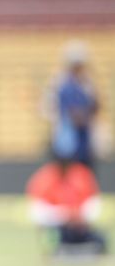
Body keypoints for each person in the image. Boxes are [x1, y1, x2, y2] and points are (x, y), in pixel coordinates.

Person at [26, 153, 107, 256]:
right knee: (53, 237)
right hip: (57, 224)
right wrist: (64, 215)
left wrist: (78, 216)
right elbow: (37, 209)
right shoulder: (45, 176)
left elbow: (93, 203)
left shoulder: (81, 174)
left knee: (97, 239)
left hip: (79, 223)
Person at [41, 40, 100, 170]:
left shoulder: (85, 83)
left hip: (82, 140)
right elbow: (73, 113)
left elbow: (96, 105)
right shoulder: (63, 84)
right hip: (69, 141)